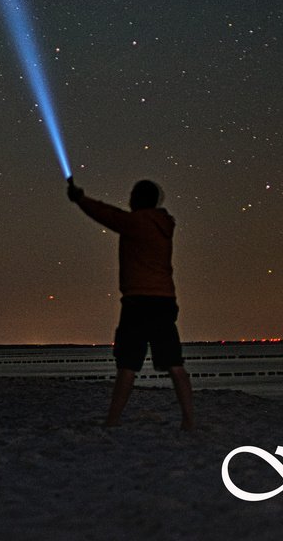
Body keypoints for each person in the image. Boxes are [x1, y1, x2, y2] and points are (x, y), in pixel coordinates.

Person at [67, 175, 195, 431]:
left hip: (137, 302)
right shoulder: (163, 225)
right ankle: (189, 420)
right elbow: (114, 214)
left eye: (133, 196)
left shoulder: (136, 223)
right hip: (164, 300)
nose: (129, 200)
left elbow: (107, 214)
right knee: (175, 363)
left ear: (139, 200)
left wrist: (80, 198)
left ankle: (113, 420)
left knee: (127, 364)